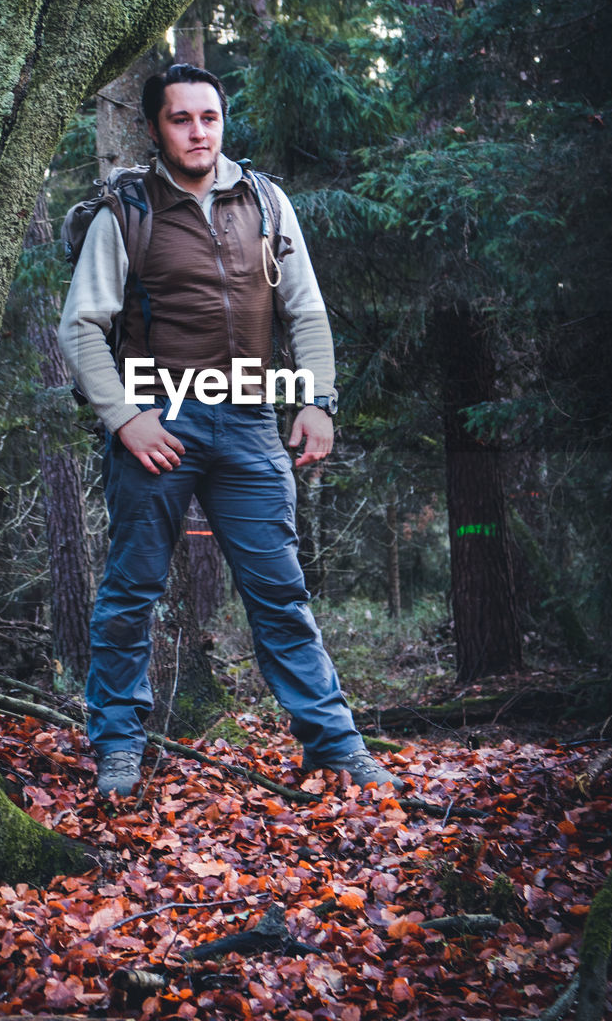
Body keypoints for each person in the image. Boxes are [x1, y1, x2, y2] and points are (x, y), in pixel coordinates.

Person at [59, 63, 403, 798]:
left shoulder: (265, 201)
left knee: (280, 593)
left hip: (249, 421)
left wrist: (316, 400)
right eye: (180, 119)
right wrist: (124, 418)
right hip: (157, 424)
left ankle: (335, 747)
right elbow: (82, 327)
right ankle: (118, 745)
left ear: (222, 122)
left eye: (208, 118)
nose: (196, 132)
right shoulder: (125, 210)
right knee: (131, 591)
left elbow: (304, 313)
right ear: (154, 128)